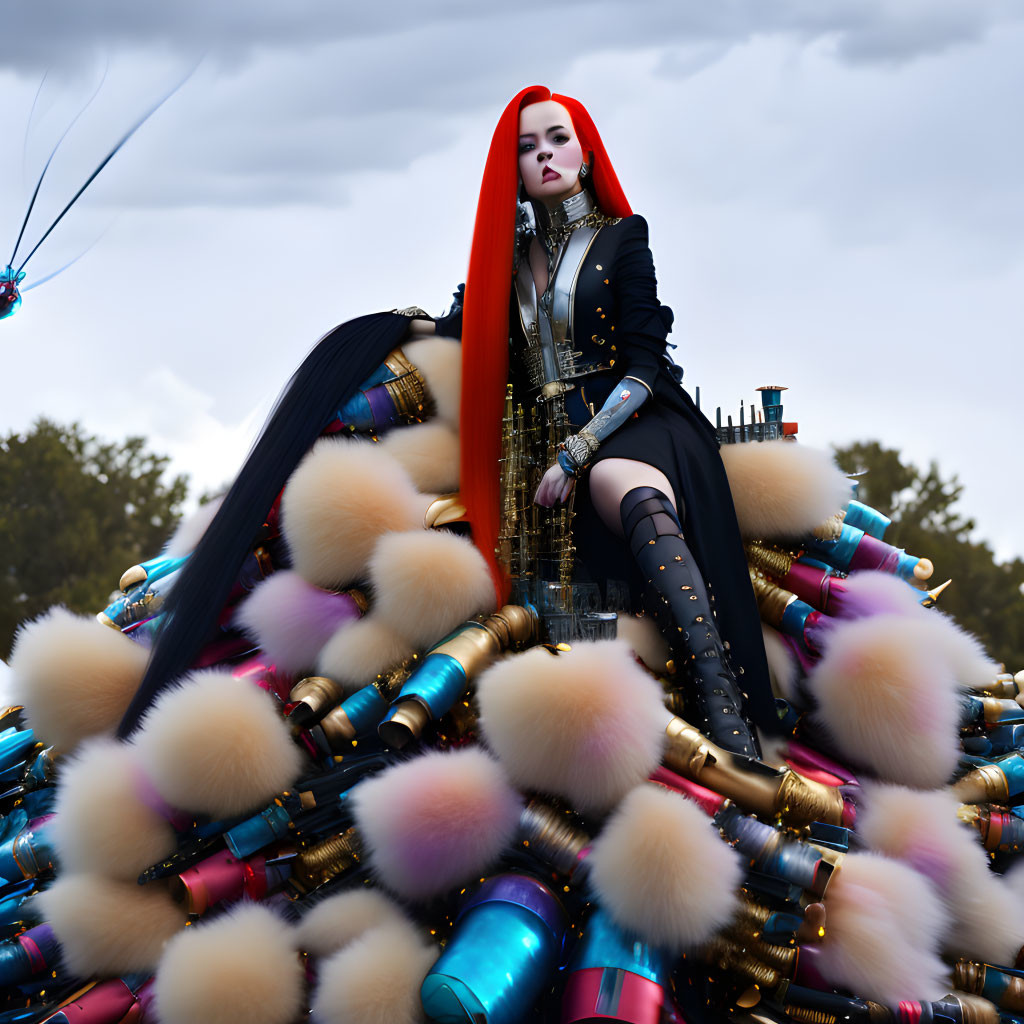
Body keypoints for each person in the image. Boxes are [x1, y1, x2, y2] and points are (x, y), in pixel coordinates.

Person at [117, 86, 776, 757]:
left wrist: (578, 451)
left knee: (624, 487)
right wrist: (395, 330)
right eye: (527, 148)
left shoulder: (623, 238)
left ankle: (724, 709)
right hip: (540, 448)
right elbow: (466, 326)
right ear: (510, 170)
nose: (544, 155)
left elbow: (644, 364)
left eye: (557, 139)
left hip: (635, 420)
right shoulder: (509, 260)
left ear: (584, 151)